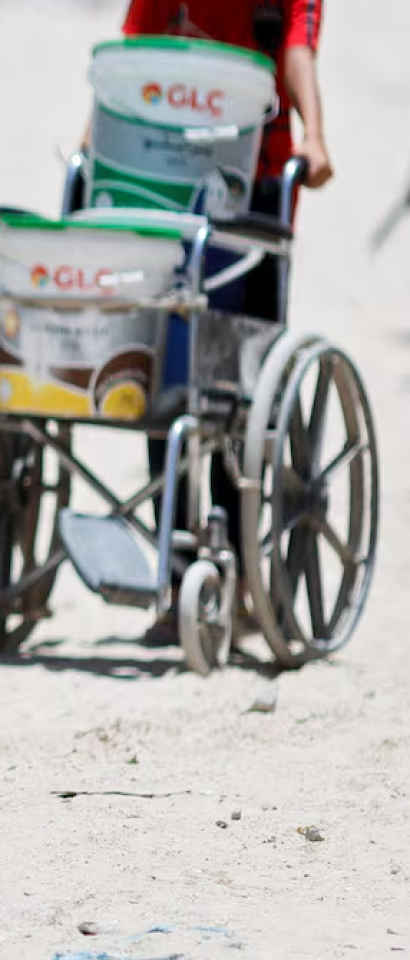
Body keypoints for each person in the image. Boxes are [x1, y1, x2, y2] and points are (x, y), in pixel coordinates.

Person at [108, 1, 332, 636]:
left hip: (251, 187)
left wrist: (313, 134)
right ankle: (179, 575)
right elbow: (132, 61)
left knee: (229, 386)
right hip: (167, 179)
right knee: (171, 370)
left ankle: (229, 570)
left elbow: (296, 51)